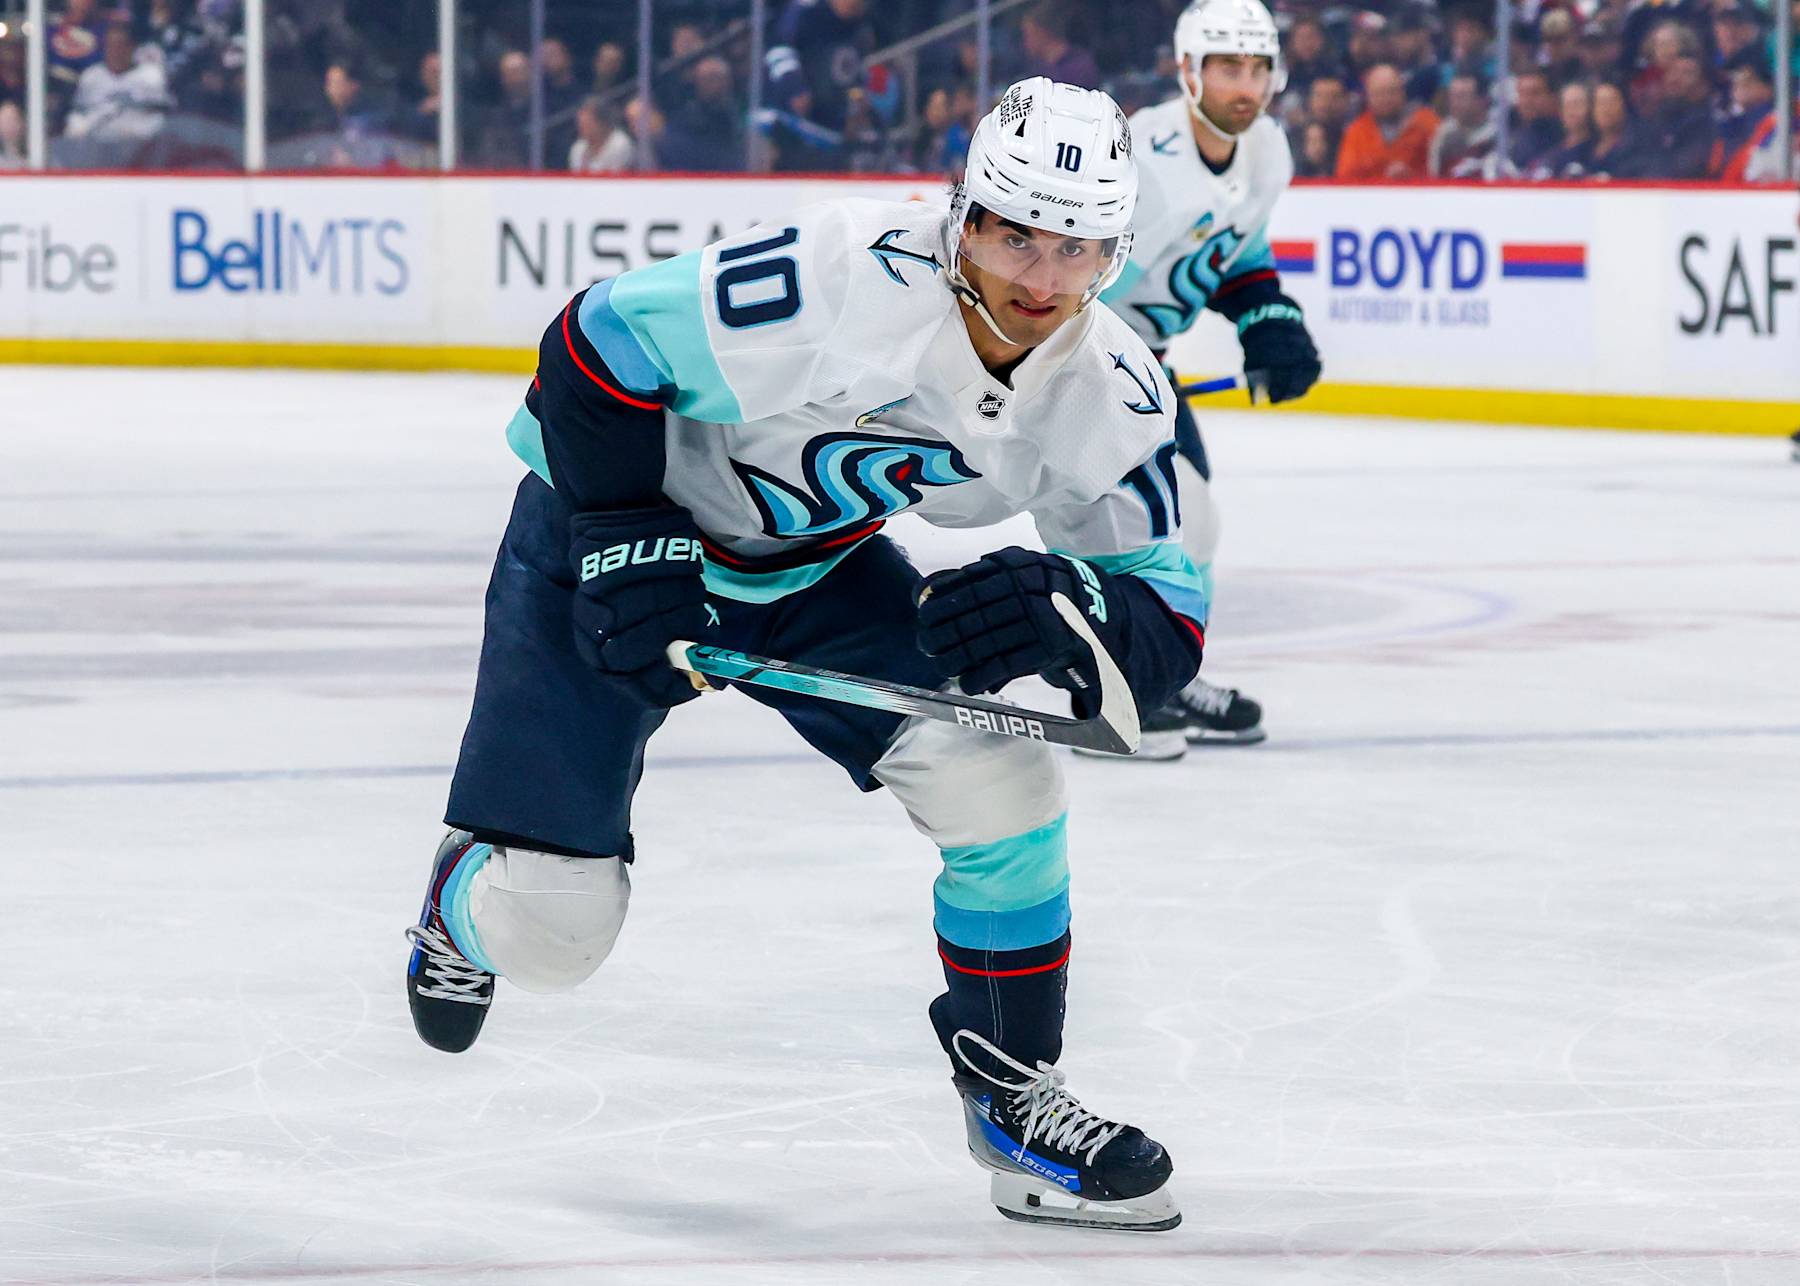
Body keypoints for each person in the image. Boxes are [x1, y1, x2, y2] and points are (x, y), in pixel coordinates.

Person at [405, 78, 1202, 1232]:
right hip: (608, 533)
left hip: (812, 569)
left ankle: (1014, 1099)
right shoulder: (840, 273)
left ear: (1115, 254)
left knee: (1005, 782)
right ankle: (457, 899)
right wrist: (628, 531)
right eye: (1015, 232)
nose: (1038, 279)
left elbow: (1169, 618)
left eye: (1075, 249)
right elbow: (592, 344)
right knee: (552, 932)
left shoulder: (1112, 390)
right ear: (963, 214)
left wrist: (1076, 604)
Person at [1098, 0, 1321, 755]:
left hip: (1142, 364)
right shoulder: (1139, 161)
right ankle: (1111, 686)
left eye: (1258, 68)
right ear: (1189, 71)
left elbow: (1238, 256)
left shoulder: (1266, 152)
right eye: (1229, 67)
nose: (1246, 86)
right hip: (1078, 358)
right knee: (1144, 520)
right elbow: (1057, 275)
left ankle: (1163, 675)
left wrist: (1268, 319)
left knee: (1194, 520)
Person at [1335, 61, 1441, 178]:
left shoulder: (1427, 122)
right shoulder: (1357, 132)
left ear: (1402, 92)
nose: (1386, 99)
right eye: (1379, 93)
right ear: (1368, 97)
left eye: (1391, 91)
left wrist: (1412, 176)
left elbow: (1444, 172)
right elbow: (1345, 180)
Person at [1429, 71, 1498, 176]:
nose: (1455, 102)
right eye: (1452, 96)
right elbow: (1435, 176)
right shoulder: (1444, 133)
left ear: (1481, 100)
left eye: (1462, 96)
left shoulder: (1497, 133)